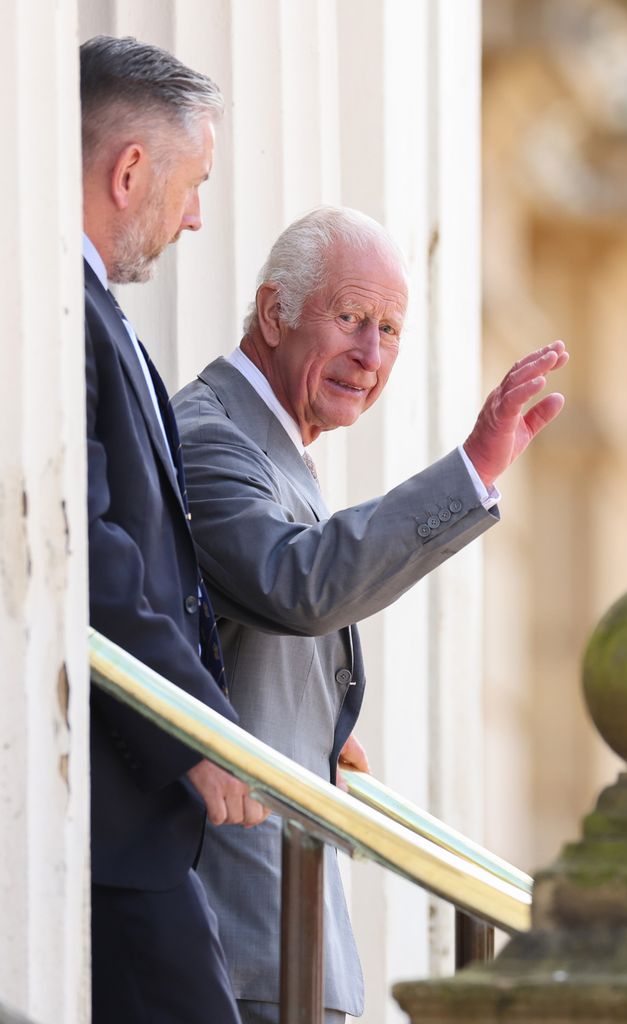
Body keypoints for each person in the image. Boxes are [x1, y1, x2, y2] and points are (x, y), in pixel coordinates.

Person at [172, 206, 568, 1024]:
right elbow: (298, 584)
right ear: (275, 311)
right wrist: (473, 467)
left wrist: (317, 726)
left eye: (390, 329)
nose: (371, 355)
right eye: (351, 319)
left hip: (285, 921)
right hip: (245, 931)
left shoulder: (272, 448)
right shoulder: (212, 439)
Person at [81, 35, 267, 1024]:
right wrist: (194, 731)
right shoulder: (57, 313)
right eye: (192, 184)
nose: (198, 216)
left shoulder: (105, 325)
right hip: (113, 813)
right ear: (129, 171)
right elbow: (95, 558)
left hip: (138, 822)